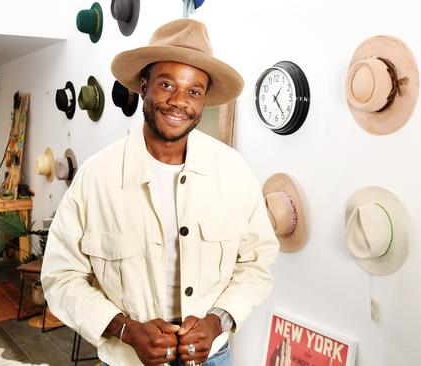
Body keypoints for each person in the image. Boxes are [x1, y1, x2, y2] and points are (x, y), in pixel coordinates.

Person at [41, 18, 279, 366]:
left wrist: (218, 321)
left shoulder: (233, 172)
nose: (179, 102)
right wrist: (126, 330)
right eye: (167, 84)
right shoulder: (96, 177)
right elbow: (61, 277)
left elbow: (256, 265)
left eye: (194, 91)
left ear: (204, 101)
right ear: (143, 86)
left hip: (213, 358)